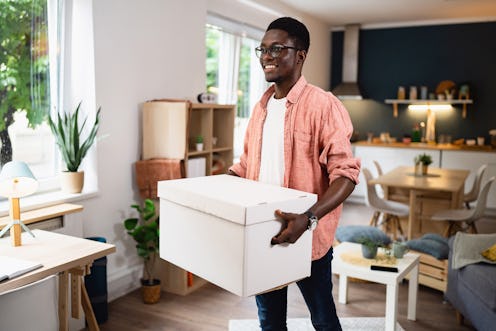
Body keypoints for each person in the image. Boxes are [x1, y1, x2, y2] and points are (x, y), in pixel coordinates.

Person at [228, 17, 361, 331]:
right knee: (270, 321)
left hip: (307, 233)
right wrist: (216, 189)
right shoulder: (260, 108)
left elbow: (345, 173)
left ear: (300, 55)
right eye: (262, 49)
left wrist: (308, 218)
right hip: (265, 232)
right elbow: (246, 166)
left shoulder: (323, 105)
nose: (266, 56)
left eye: (277, 48)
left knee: (323, 319)